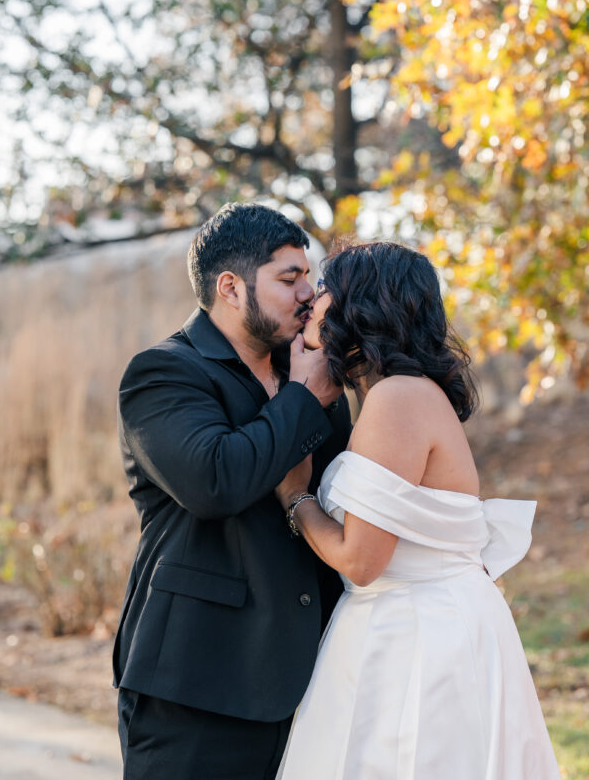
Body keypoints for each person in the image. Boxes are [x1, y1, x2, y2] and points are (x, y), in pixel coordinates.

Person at [275, 241, 562, 779]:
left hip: (416, 637)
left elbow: (361, 560)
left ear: (364, 303)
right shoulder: (399, 394)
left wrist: (296, 496)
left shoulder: (398, 398)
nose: (312, 298)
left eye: (326, 287)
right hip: (417, 620)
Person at [113, 203, 351, 779]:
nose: (308, 294)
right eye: (289, 279)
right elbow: (215, 482)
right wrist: (303, 398)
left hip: (312, 682)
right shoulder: (162, 373)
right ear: (230, 287)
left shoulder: (310, 375)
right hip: (199, 684)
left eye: (309, 277)